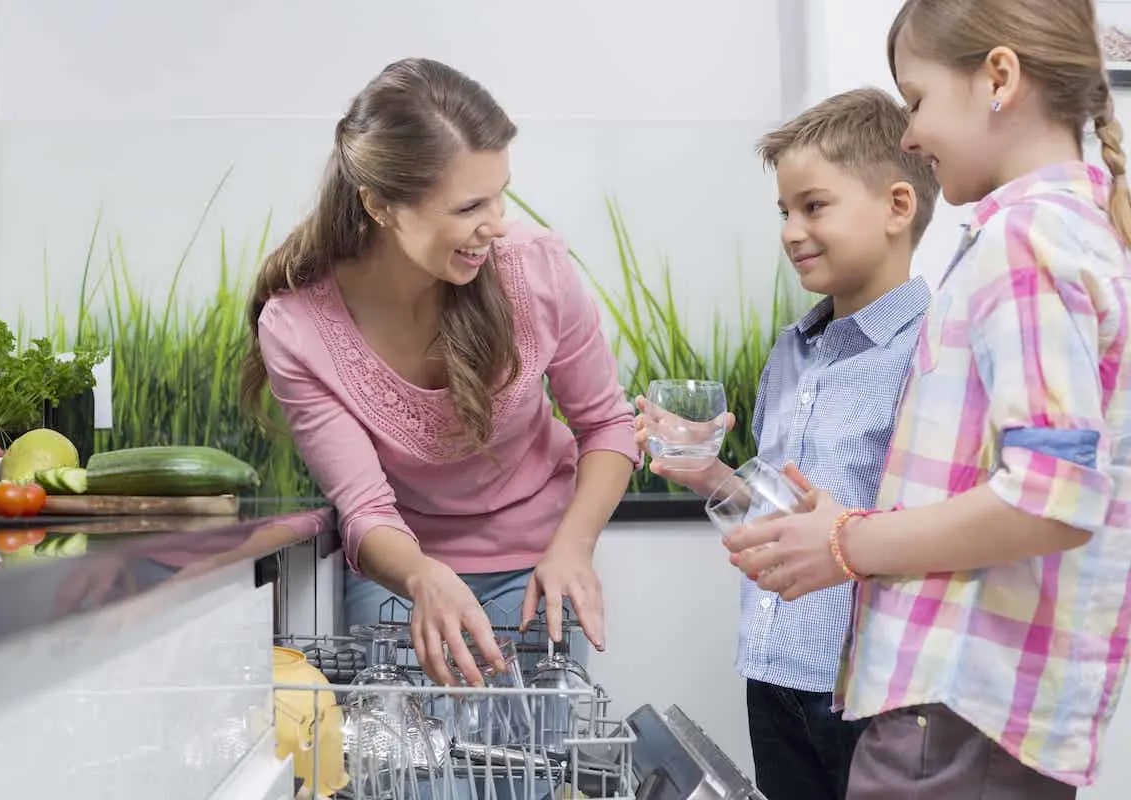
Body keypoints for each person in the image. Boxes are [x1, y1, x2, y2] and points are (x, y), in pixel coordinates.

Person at [723, 1, 1131, 796]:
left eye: (916, 102)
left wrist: (846, 542)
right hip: (958, 711)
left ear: (999, 79)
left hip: (956, 714)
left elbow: (1052, 497)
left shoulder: (1028, 242)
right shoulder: (1057, 233)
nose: (909, 136)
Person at [240, 58, 637, 687]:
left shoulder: (535, 272)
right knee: (405, 774)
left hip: (538, 569)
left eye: (501, 192)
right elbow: (365, 508)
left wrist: (572, 548)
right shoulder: (298, 329)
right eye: (469, 205)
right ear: (379, 205)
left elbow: (607, 425)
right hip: (402, 576)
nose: (497, 223)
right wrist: (423, 575)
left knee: (526, 777)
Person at [634, 88, 938, 800]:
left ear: (898, 207)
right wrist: (715, 478)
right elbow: (781, 511)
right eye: (784, 211)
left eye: (814, 205)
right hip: (772, 674)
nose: (792, 230)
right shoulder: (790, 353)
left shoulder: (929, 353)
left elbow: (932, 531)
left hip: (867, 691)